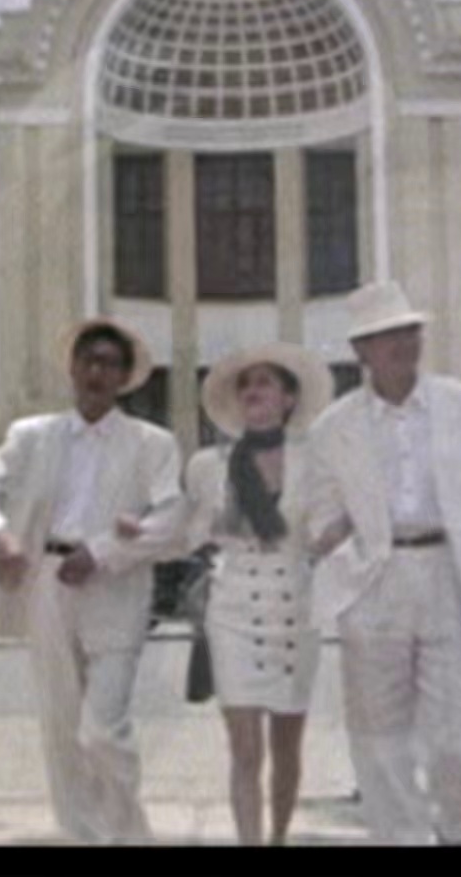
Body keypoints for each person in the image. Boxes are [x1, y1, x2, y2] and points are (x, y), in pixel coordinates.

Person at [303, 281, 461, 845]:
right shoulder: (332, 428)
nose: (403, 344)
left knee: (458, 740)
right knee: (378, 738)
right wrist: (331, 538)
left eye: (409, 331)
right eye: (387, 335)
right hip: (374, 583)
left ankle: (458, 832)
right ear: (361, 350)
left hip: (450, 575)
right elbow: (320, 515)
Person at [0, 317, 188, 845]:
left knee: (103, 727)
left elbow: (172, 516)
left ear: (125, 377)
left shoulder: (151, 443)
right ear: (72, 368)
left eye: (109, 364)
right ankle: (82, 834)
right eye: (88, 361)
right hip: (47, 580)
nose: (96, 372)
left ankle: (129, 836)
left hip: (116, 587)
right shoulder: (33, 436)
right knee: (61, 725)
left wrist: (103, 552)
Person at [185, 342, 335, 845]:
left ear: (288, 398)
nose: (253, 391)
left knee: (287, 746)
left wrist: (355, 525)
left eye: (265, 382)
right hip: (233, 609)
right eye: (245, 384)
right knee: (245, 750)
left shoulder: (314, 463)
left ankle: (278, 838)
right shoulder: (210, 466)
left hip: (294, 608)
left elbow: (323, 531)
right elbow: (188, 533)